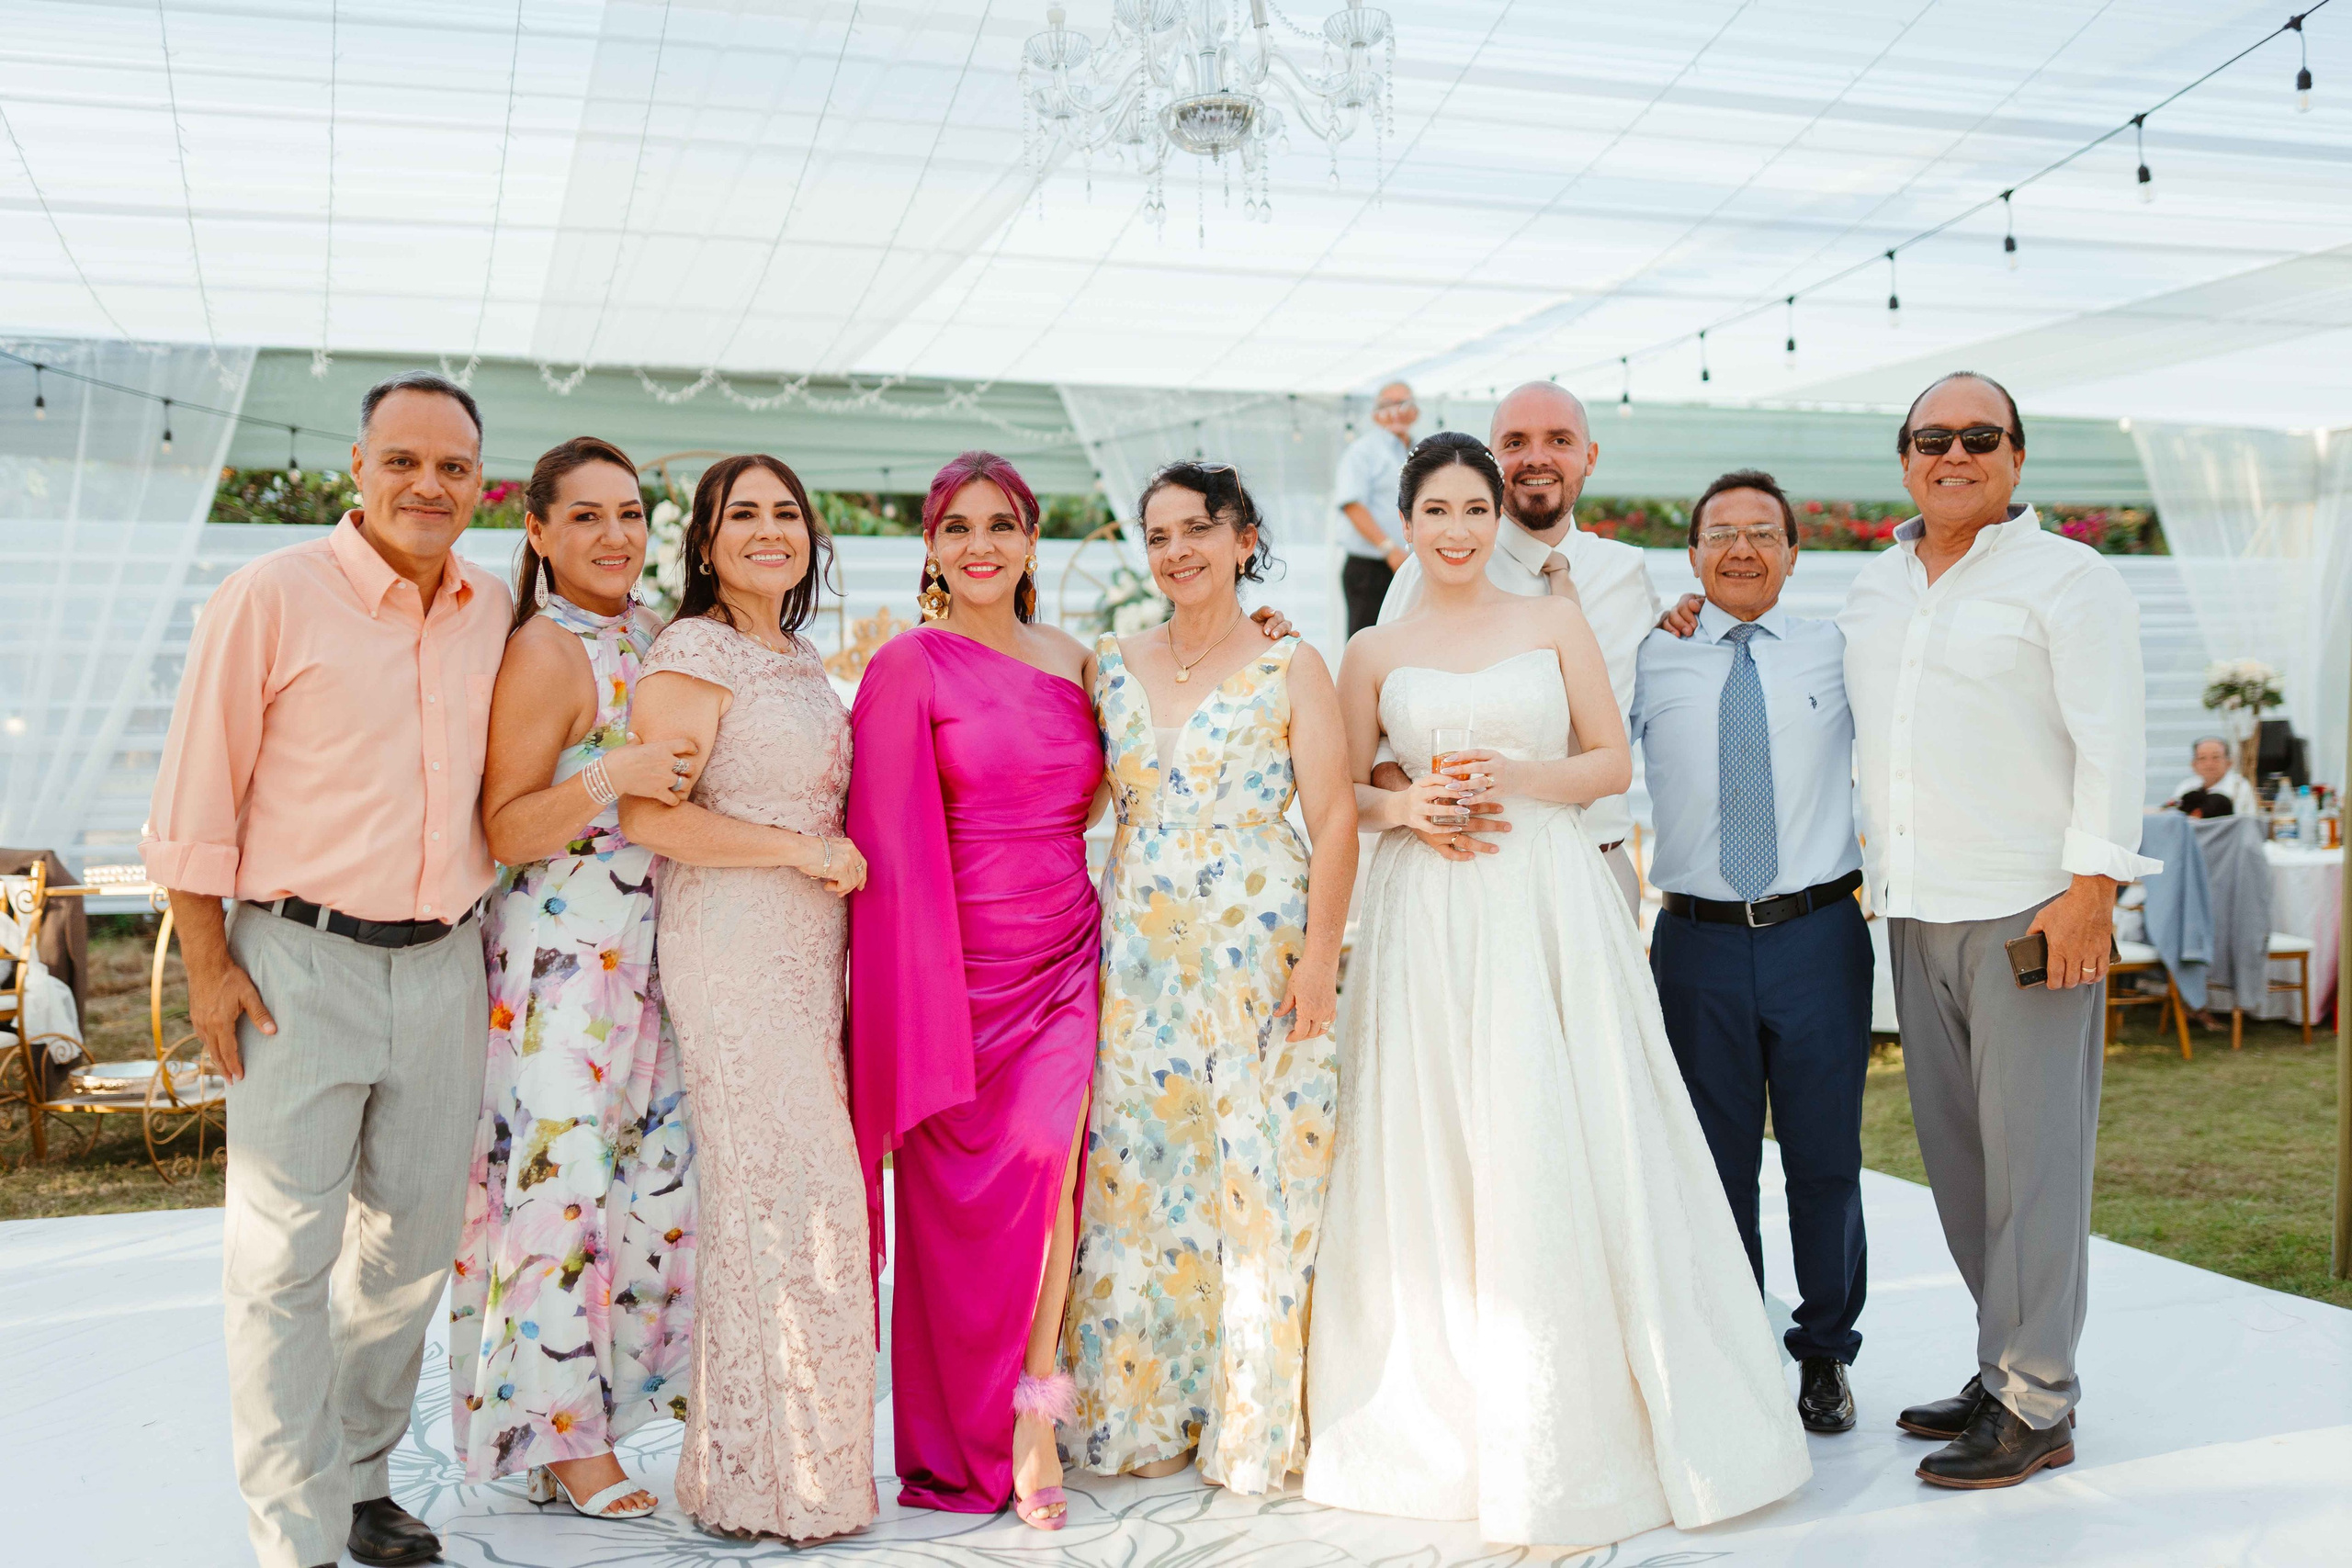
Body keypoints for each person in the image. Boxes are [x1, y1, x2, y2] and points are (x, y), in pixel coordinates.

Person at [1304, 433, 1809, 1548]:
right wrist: (1409, 808)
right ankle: (1450, 1406)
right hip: (1430, 909)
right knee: (1442, 1129)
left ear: (1499, 519)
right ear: (1405, 521)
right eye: (1435, 511)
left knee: (1559, 1122)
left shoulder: (1553, 620)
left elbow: (1608, 763)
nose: (1456, 531)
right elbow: (1337, 789)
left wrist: (1519, 779)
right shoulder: (1374, 647)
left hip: (1546, 897)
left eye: (1473, 510)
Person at [141, 371, 507, 1568]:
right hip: (296, 965)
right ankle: (293, 1531)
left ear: (479, 483)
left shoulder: (493, 608)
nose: (428, 484)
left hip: (445, 966)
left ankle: (360, 1480)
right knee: (280, 1261)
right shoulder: (270, 595)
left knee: (407, 1254)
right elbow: (194, 798)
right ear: (357, 467)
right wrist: (209, 967)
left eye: (452, 465)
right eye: (403, 459)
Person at [1841, 372, 2158, 1489]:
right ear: (1905, 460)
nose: (1955, 454)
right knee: (1962, 1164)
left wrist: (2091, 891)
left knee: (2036, 1163)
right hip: (1913, 906)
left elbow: (2115, 741)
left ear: (2017, 457)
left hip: (2032, 911)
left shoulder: (2071, 579)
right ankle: (2001, 1366)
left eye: (1981, 437)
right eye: (1933, 438)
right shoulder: (1872, 587)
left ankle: (2037, 1399)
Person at [1062, 462, 1357, 1494]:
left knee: (1257, 1173)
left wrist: (1318, 959)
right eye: (1159, 535)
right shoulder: (1108, 662)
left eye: (1198, 529)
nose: (1177, 551)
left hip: (1257, 950)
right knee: (1142, 1174)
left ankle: (1249, 1416)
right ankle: (1148, 1406)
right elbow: (1072, 797)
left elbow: (1333, 818)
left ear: (1243, 539)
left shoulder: (1291, 664)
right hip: (1137, 956)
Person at [845, 451, 1106, 1530]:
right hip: (952, 979)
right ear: (931, 548)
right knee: (955, 1221)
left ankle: (1034, 1412)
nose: (980, 544)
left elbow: (1136, 768)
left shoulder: (1080, 661)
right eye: (957, 527)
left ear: (1032, 539)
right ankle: (957, 1433)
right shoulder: (908, 664)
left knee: (1052, 1171)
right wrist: (909, 1008)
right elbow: (882, 841)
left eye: (1000, 524)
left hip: (1064, 957)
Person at [618, 454, 876, 1540]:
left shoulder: (800, 657)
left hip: (808, 951)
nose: (769, 531)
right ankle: (766, 1476)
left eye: (787, 514)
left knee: (797, 1194)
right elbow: (651, 816)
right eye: (744, 515)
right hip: (732, 944)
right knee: (786, 1195)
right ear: (706, 541)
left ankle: (786, 1468)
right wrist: (799, 851)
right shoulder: (695, 650)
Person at [449, 436, 698, 1519]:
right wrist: (613, 774)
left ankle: (604, 1412)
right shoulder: (545, 650)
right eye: (586, 516)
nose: (614, 534)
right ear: (539, 532)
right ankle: (557, 1439)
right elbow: (505, 826)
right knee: (561, 1193)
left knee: (645, 1196)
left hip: (651, 957)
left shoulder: (652, 632)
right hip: (563, 965)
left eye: (629, 513)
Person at [1630, 468, 1871, 1438]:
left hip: (1818, 936)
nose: (1741, 549)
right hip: (1696, 943)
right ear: (1691, 556)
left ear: (1793, 554)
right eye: (1721, 533)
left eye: (1763, 533)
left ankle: (1824, 1352)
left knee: (1825, 1160)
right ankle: (1732, 1352)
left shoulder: (1841, 651)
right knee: (1712, 1164)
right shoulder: (1647, 654)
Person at [1373, 381, 1660, 913]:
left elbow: (1651, 697)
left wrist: (1695, 613)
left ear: (1590, 456)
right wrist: (1412, 805)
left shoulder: (1628, 572)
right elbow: (1383, 728)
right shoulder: (1436, 566)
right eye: (1515, 443)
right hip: (1475, 868)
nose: (1536, 458)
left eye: (1559, 440)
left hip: (1601, 865)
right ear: (1492, 459)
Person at [1333, 381, 1417, 636]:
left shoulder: (1420, 451)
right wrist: (1389, 550)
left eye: (1404, 404)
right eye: (1388, 405)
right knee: (1367, 641)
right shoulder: (1362, 452)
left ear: (1415, 412)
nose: (1397, 411)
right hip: (1371, 568)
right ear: (1374, 414)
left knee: (1405, 640)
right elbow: (1352, 505)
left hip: (1409, 565)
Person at [2172, 737, 2259, 818]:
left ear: (2229, 763)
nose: (2209, 764)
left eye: (2216, 757)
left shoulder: (2239, 786)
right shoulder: (2186, 786)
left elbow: (2246, 822)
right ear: (2193, 765)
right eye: (2202, 758)